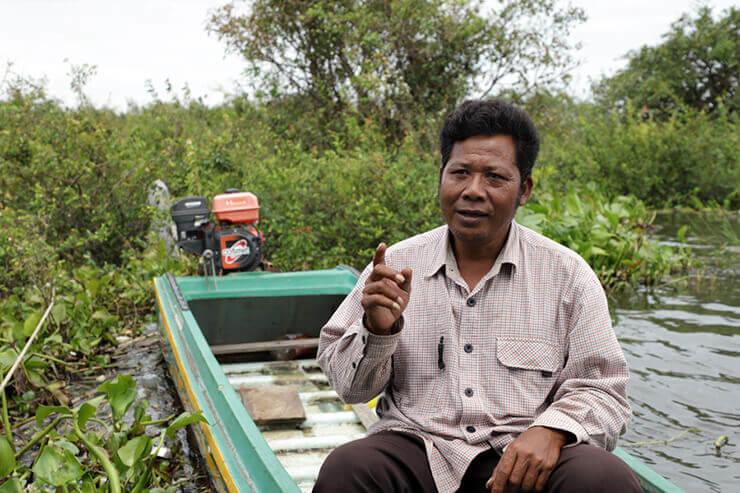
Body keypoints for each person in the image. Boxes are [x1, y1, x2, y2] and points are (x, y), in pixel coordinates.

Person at [314, 99, 641, 493]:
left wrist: (553, 431)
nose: (473, 191)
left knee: (603, 478)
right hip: (421, 450)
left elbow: (603, 389)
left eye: (494, 177)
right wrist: (377, 330)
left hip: (523, 461)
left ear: (525, 189)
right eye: (460, 173)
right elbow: (352, 390)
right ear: (441, 178)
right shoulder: (396, 265)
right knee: (348, 469)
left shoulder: (567, 275)